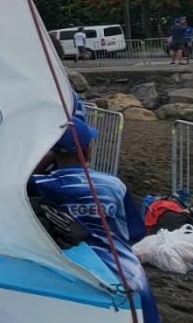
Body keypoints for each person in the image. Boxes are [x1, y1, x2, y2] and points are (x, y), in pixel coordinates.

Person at [29, 118, 160, 323]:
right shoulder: (114, 185)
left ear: (52, 151)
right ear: (88, 150)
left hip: (70, 270)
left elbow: (18, 184)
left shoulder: (43, 184)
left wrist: (47, 159)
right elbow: (136, 232)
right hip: (124, 273)